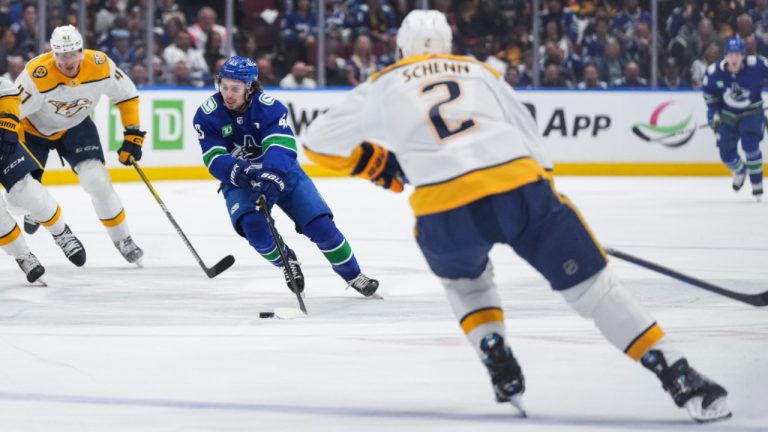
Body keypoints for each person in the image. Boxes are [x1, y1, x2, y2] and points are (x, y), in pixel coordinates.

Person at [303, 10, 731, 422]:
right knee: (594, 291)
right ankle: (677, 373)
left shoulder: (384, 82)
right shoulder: (478, 70)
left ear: (401, 49)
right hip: (519, 188)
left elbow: (316, 142)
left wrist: (376, 163)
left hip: (443, 206)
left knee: (465, 283)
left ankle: (492, 346)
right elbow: (529, 132)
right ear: (449, 45)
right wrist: (545, 198)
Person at [192, 56, 378, 297]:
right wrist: (244, 173)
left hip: (282, 174)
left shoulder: (270, 107)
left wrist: (271, 177)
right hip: (240, 179)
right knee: (254, 228)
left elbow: (281, 147)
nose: (228, 94)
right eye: (224, 86)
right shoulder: (208, 114)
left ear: (250, 87)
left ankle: (354, 275)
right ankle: (286, 260)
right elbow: (214, 158)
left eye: (235, 89)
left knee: (321, 226)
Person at [15, 25, 145, 264]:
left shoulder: (99, 64)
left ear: (82, 50)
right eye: (63, 54)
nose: (69, 60)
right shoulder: (36, 74)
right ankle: (35, 209)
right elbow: (11, 114)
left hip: (75, 125)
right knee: (19, 198)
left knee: (97, 181)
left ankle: (123, 239)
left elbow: (127, 95)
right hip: (31, 130)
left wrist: (133, 134)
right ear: (53, 53)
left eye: (74, 52)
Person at [0, 76, 86, 281]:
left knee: (29, 192)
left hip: (3, 143)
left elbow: (7, 89)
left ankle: (61, 233)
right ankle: (23, 256)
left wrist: (9, 121)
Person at [704, 36, 765, 200]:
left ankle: (757, 183)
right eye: (731, 54)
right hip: (728, 116)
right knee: (726, 154)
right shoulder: (714, 73)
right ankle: (740, 171)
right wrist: (715, 114)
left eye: (737, 54)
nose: (734, 58)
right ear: (725, 55)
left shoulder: (757, 66)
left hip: (752, 113)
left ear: (743, 55)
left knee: (750, 147)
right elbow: (710, 98)